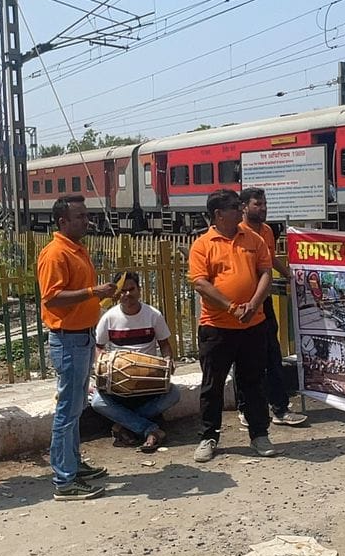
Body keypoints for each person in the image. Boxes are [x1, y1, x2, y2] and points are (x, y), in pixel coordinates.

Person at [187, 189, 276, 463]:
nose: (240, 212)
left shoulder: (254, 239)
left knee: (253, 382)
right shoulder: (203, 244)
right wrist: (231, 307)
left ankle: (259, 433)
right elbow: (201, 283)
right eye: (235, 208)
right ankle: (208, 436)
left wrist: (254, 304)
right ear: (218, 214)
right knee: (212, 384)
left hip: (253, 324)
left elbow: (265, 272)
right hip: (217, 326)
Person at [39, 194, 115, 501]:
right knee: (67, 410)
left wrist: (98, 295)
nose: (86, 220)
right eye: (80, 216)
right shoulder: (55, 254)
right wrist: (92, 291)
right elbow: (51, 297)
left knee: (75, 406)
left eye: (86, 215)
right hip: (67, 339)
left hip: (81, 336)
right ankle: (64, 479)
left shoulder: (76, 249)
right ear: (62, 221)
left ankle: (72, 464)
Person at [238, 188, 306, 429]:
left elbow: (271, 258)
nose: (263, 208)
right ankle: (245, 409)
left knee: (272, 353)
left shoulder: (267, 231)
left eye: (265, 203)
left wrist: (288, 274)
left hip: (263, 302)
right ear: (244, 206)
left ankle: (280, 407)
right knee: (246, 358)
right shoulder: (237, 233)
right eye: (258, 204)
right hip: (243, 304)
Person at [89, 271, 179, 452]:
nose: (127, 294)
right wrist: (102, 366)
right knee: (97, 401)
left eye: (131, 289)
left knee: (174, 394)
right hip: (118, 383)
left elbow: (165, 345)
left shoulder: (154, 315)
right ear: (116, 294)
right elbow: (98, 347)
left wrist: (168, 360)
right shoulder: (109, 317)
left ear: (139, 290)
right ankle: (148, 428)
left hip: (147, 381)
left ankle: (125, 425)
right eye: (122, 291)